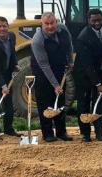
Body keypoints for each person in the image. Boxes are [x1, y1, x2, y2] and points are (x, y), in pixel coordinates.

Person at [73, 9, 102, 142]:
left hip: (101, 71)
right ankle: (85, 134)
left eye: (99, 20)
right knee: (84, 104)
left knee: (100, 103)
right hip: (84, 75)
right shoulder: (83, 38)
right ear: (88, 21)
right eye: (94, 21)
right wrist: (97, 84)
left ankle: (99, 133)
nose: (97, 23)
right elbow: (87, 64)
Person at [31, 12, 74, 142]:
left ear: (56, 21)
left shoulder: (63, 30)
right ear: (42, 24)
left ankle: (61, 132)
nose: (50, 27)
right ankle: (48, 133)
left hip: (59, 68)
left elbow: (69, 45)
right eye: (47, 24)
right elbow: (44, 65)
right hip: (42, 72)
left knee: (60, 101)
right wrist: (55, 85)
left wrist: (70, 61)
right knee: (45, 102)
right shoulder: (38, 40)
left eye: (52, 23)